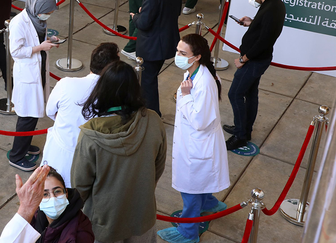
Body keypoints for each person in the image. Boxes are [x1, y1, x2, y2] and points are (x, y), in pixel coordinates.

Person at [72, 61, 166, 243]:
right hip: (142, 216)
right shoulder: (153, 121)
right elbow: (158, 167)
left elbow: (80, 185)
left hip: (104, 223)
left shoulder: (90, 134)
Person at [157, 34, 230, 243]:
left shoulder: (204, 82)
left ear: (196, 56)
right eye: (177, 51)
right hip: (193, 142)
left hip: (198, 145)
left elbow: (200, 121)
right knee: (196, 184)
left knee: (190, 190)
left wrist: (186, 96)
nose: (177, 56)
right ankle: (209, 203)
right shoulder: (194, 72)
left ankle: (188, 233)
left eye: (182, 53)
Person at [41, 43, 119, 186]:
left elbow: (50, 112)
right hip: (91, 162)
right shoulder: (115, 97)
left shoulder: (66, 84)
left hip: (58, 155)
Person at [224, 0, 286, 150]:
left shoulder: (272, 8)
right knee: (250, 93)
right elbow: (265, 28)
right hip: (257, 58)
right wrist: (252, 23)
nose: (250, 0)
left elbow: (264, 40)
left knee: (235, 94)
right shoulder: (272, 3)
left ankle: (240, 136)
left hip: (255, 60)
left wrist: (244, 58)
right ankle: (244, 129)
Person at [8, 0, 60, 171]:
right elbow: (15, 51)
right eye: (47, 12)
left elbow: (35, 40)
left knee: (32, 115)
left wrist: (48, 42)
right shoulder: (19, 23)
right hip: (27, 74)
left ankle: (25, 144)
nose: (48, 15)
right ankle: (17, 155)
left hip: (37, 69)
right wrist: (40, 47)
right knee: (27, 117)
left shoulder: (38, 19)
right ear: (38, 9)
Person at [130, 0, 182, 116]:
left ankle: (152, 115)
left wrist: (136, 16)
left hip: (151, 47)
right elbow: (174, 12)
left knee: (148, 82)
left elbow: (144, 23)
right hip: (168, 41)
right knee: (150, 79)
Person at [30, 167, 94, 243]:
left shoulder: (80, 234)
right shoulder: (34, 216)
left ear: (66, 193)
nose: (53, 198)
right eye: (45, 194)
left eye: (57, 191)